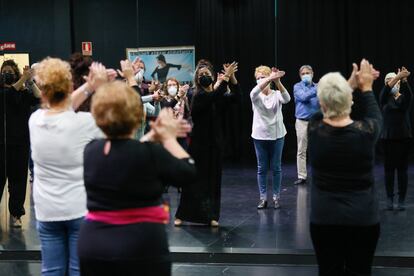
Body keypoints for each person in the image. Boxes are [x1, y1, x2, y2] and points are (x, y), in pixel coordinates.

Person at [77, 81, 196, 276]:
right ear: (135, 116)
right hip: (141, 246)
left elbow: (125, 153)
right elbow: (188, 172)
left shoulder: (92, 150)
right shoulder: (151, 154)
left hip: (94, 245)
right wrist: (168, 139)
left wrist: (150, 136)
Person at [29, 57, 107, 275]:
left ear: (43, 91)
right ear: (70, 86)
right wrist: (96, 88)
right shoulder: (84, 122)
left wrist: (89, 86)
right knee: (77, 270)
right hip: (77, 208)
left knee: (51, 270)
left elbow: (62, 108)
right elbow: (111, 122)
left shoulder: (35, 121)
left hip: (47, 211)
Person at [308, 59, 381, 276]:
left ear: (322, 103)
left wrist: (348, 85)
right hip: (362, 219)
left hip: (324, 218)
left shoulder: (314, 129)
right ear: (349, 100)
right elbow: (375, 113)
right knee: (361, 271)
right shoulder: (367, 133)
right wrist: (366, 87)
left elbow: (323, 109)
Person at [174, 60, 238, 227]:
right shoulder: (198, 95)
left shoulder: (217, 96)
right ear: (197, 78)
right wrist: (224, 80)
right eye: (201, 75)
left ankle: (211, 216)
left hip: (215, 145)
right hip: (198, 145)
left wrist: (232, 79)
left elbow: (237, 97)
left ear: (212, 76)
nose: (204, 77)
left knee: (213, 182)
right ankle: (182, 214)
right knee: (193, 180)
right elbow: (211, 97)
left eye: (206, 75)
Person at [0, 59, 40, 227]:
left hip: (20, 144)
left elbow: (39, 96)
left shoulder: (23, 93)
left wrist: (30, 80)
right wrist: (23, 78)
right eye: (4, 71)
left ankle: (16, 214)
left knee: (18, 181)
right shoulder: (2, 92)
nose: (7, 74)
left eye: (10, 71)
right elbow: (9, 95)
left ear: (15, 73)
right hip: (1, 146)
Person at [251, 66, 290, 209]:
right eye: (258, 78)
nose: (260, 80)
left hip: (278, 134)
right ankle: (263, 198)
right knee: (261, 168)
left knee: (276, 167)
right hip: (260, 136)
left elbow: (287, 99)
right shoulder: (255, 95)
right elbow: (253, 91)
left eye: (263, 77)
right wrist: (269, 77)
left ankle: (276, 197)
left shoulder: (276, 93)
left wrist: (278, 81)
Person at [379, 67, 412, 211]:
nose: (391, 83)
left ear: (398, 83)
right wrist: (397, 76)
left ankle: (402, 199)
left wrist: (403, 80)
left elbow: (410, 96)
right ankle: (390, 199)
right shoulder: (384, 99)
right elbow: (385, 90)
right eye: (388, 81)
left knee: (402, 170)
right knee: (389, 170)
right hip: (388, 138)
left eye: (394, 80)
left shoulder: (404, 98)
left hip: (403, 137)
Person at [293, 65, 319, 185]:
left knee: (318, 149)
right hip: (302, 121)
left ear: (312, 73)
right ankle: (302, 176)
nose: (305, 75)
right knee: (301, 150)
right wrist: (318, 89)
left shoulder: (318, 87)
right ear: (300, 75)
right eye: (303, 74)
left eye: (308, 73)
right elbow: (303, 97)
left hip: (316, 122)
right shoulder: (297, 87)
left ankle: (319, 174)